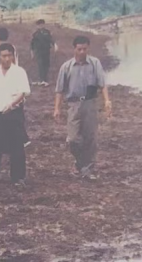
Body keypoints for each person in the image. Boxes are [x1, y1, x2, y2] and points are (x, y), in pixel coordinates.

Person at [53, 36, 112, 181]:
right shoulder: (66, 67)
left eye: (85, 49)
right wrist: (57, 108)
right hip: (73, 105)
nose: (82, 52)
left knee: (90, 137)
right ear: (74, 49)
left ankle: (88, 168)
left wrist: (107, 101)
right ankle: (80, 163)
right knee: (73, 139)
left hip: (90, 103)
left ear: (88, 48)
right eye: (79, 49)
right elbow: (59, 90)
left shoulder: (94, 63)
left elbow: (102, 84)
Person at [0, 43, 31, 187]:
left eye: (9, 55)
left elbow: (23, 92)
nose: (7, 59)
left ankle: (18, 178)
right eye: (4, 56)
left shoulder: (19, 72)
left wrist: (12, 104)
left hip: (14, 114)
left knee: (17, 146)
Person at [30, 19, 57, 87]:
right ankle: (42, 80)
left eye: (42, 24)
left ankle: (45, 79)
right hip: (39, 51)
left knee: (46, 65)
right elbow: (32, 44)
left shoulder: (47, 32)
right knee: (40, 65)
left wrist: (55, 45)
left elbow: (51, 40)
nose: (40, 26)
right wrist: (32, 52)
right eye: (39, 25)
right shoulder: (35, 34)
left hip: (46, 51)